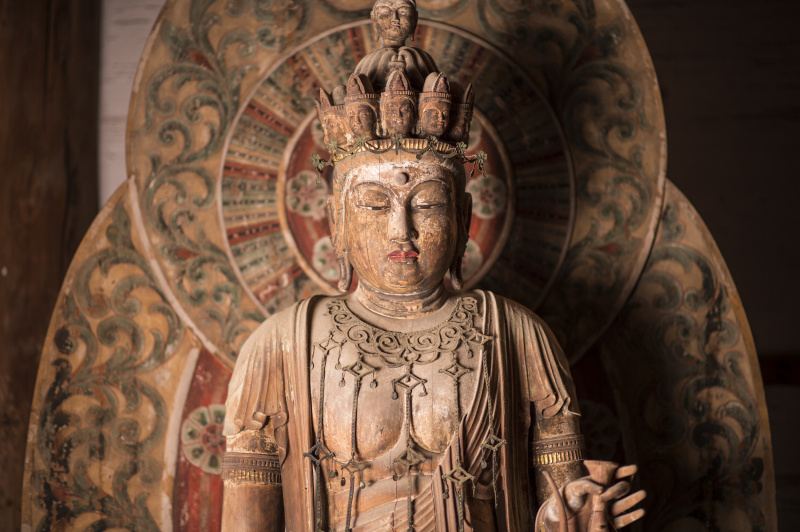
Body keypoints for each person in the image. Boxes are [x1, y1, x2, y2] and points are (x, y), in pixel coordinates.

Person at [220, 1, 645, 530]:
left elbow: (562, 506)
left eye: (426, 203)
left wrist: (571, 517)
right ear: (336, 221)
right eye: (375, 205)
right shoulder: (279, 347)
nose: (401, 230)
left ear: (464, 217)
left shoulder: (520, 337)